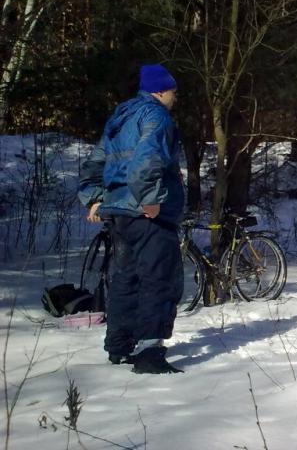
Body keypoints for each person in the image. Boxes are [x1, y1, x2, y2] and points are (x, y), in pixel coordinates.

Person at [78, 64, 185, 374]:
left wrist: (96, 197)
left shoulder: (121, 117)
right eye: (174, 92)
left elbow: (95, 161)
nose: (175, 98)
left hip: (121, 213)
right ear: (160, 90)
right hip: (148, 214)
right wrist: (149, 199)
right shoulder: (157, 117)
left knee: (127, 278)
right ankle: (150, 353)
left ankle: (119, 347)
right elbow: (147, 159)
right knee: (159, 279)